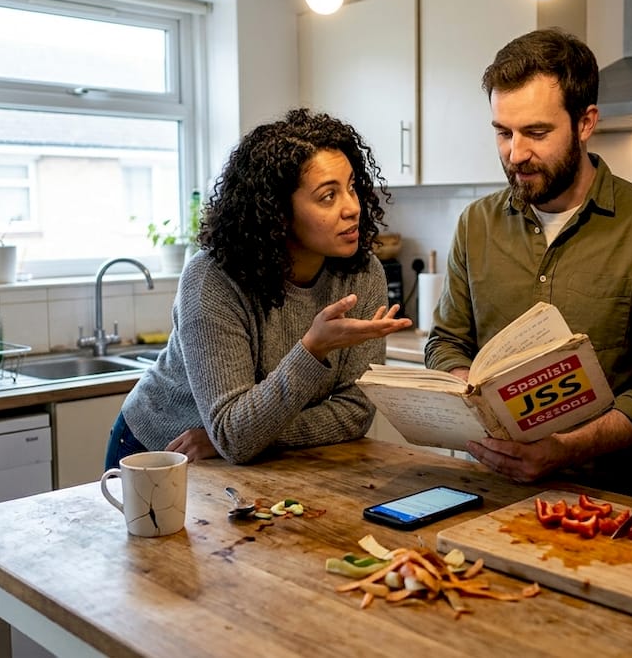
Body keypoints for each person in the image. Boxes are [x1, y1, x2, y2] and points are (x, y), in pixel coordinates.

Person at [425, 28, 632, 499]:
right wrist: (469, 394)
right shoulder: (477, 223)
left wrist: (566, 448)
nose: (516, 154)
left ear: (585, 122)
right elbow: (447, 341)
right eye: (502, 132)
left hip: (609, 501)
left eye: (536, 132)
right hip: (486, 491)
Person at [106, 108, 411, 467]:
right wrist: (313, 348)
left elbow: (356, 413)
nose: (352, 208)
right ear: (278, 211)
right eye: (328, 196)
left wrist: (238, 437)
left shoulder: (363, 273)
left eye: (352, 187)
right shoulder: (213, 279)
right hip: (160, 452)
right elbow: (235, 436)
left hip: (252, 454)